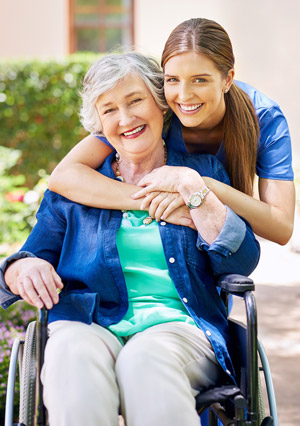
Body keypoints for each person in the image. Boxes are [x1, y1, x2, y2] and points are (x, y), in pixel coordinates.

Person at [0, 52, 260, 426]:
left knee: (145, 360)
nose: (125, 119)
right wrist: (24, 267)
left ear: (160, 104)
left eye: (135, 101)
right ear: (99, 125)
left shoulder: (202, 171)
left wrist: (195, 193)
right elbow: (27, 256)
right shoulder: (73, 190)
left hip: (179, 326)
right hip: (87, 323)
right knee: (70, 357)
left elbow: (241, 260)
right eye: (109, 110)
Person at [48, 18, 295, 245]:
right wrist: (147, 201)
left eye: (200, 80)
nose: (184, 95)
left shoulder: (264, 118)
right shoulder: (158, 106)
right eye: (173, 79)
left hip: (222, 238)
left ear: (227, 79)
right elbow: (64, 175)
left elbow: (281, 227)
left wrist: (200, 186)